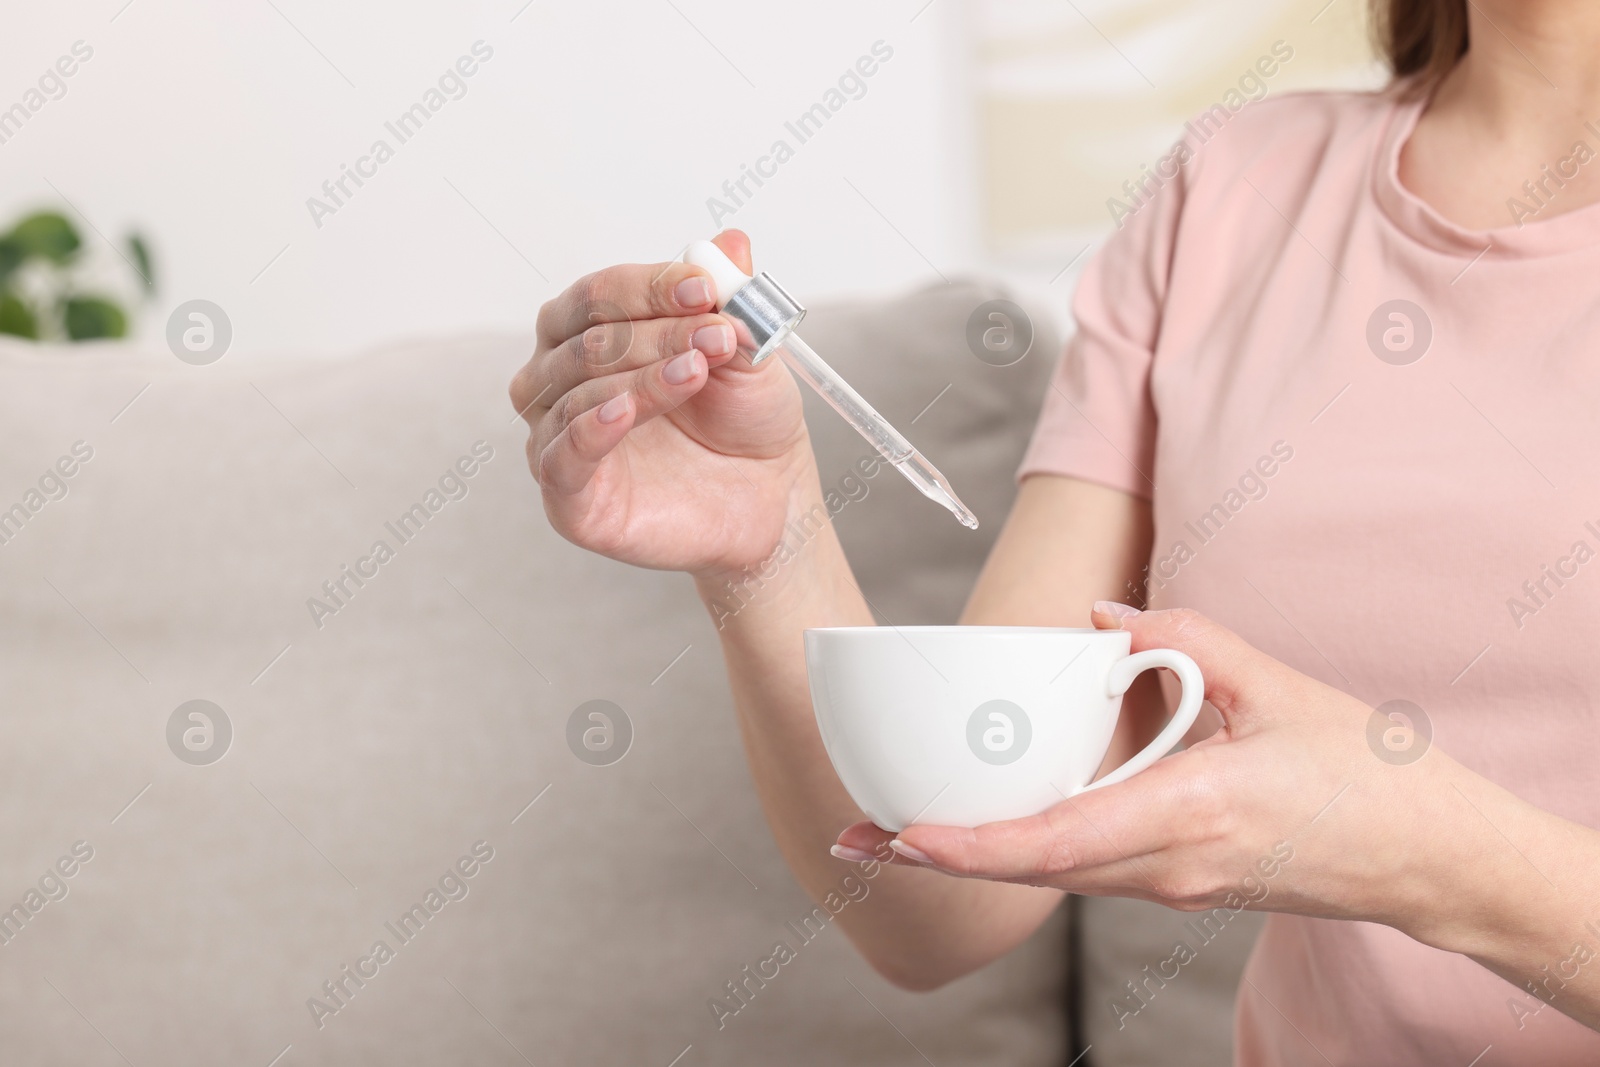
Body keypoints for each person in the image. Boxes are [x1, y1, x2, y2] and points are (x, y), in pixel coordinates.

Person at [509, 1, 1600, 1060]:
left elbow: (1407, 841)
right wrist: (763, 540)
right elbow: (940, 907)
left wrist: (1419, 848)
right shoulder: (1229, 189)